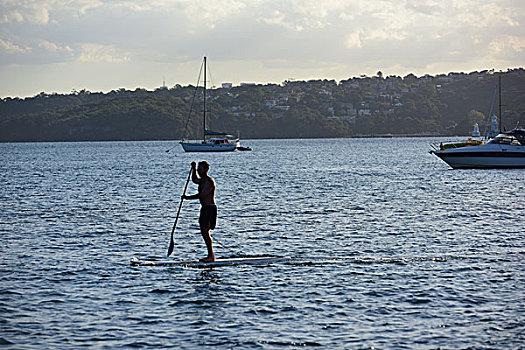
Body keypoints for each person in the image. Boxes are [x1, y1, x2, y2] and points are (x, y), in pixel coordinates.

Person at [181, 161, 217, 262]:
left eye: (200, 169)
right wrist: (193, 169)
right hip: (204, 208)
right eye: (198, 170)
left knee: (205, 231)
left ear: (206, 169)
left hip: (210, 209)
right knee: (204, 231)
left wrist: (187, 198)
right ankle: (210, 255)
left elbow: (202, 195)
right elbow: (194, 179)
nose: (199, 171)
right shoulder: (201, 180)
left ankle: (211, 256)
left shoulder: (209, 181)